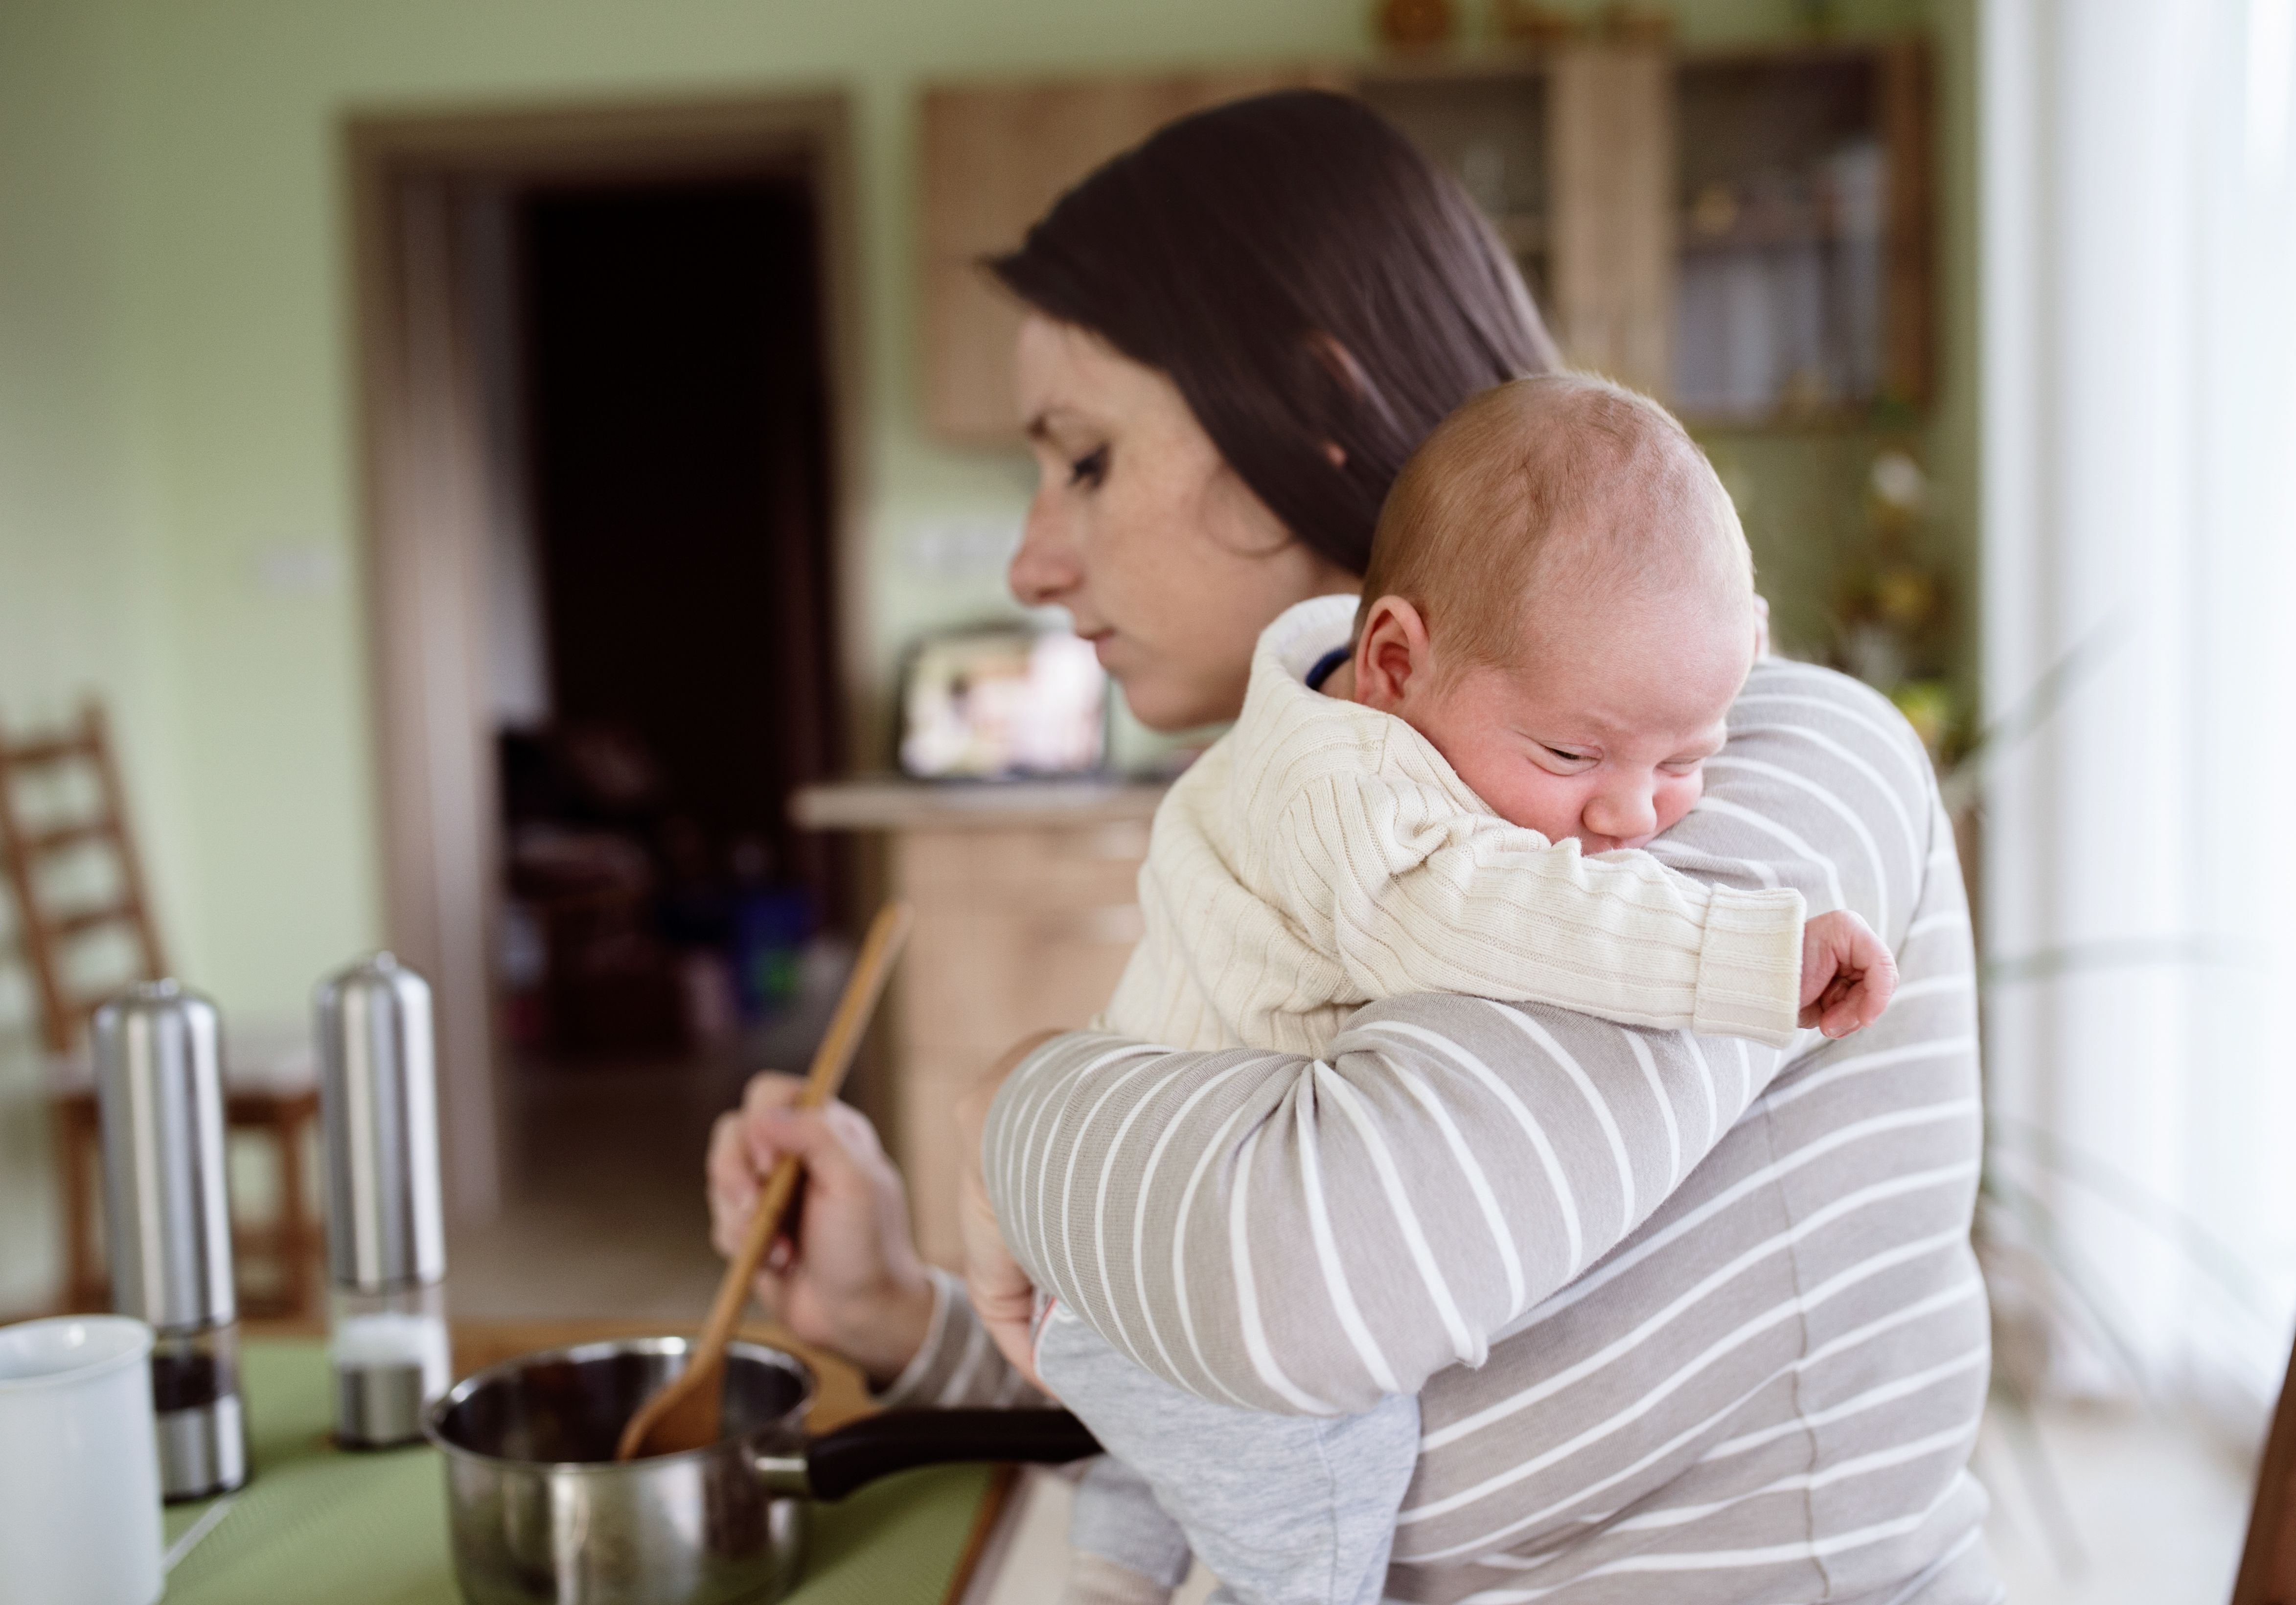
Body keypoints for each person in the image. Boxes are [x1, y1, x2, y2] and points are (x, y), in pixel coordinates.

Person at [708, 91, 1998, 1605]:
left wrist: (1013, 1110)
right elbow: (1256, 1446)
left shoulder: (1772, 778)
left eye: (1086, 461)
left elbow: (1308, 1288)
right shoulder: (1308, 828)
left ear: (1307, 408)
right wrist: (896, 1314)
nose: (1031, 558)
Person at [1042, 373, 1902, 1605]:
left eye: (1685, 759)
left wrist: (1695, 695)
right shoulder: (1355, 803)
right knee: (1326, 1480)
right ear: (1394, 657)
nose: (1627, 813)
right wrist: (1747, 951)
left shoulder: (1428, 700)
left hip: (1127, 1266)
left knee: (1160, 1460)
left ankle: (1108, 1569)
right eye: (1570, 753)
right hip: (1189, 1274)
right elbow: (1489, 907)